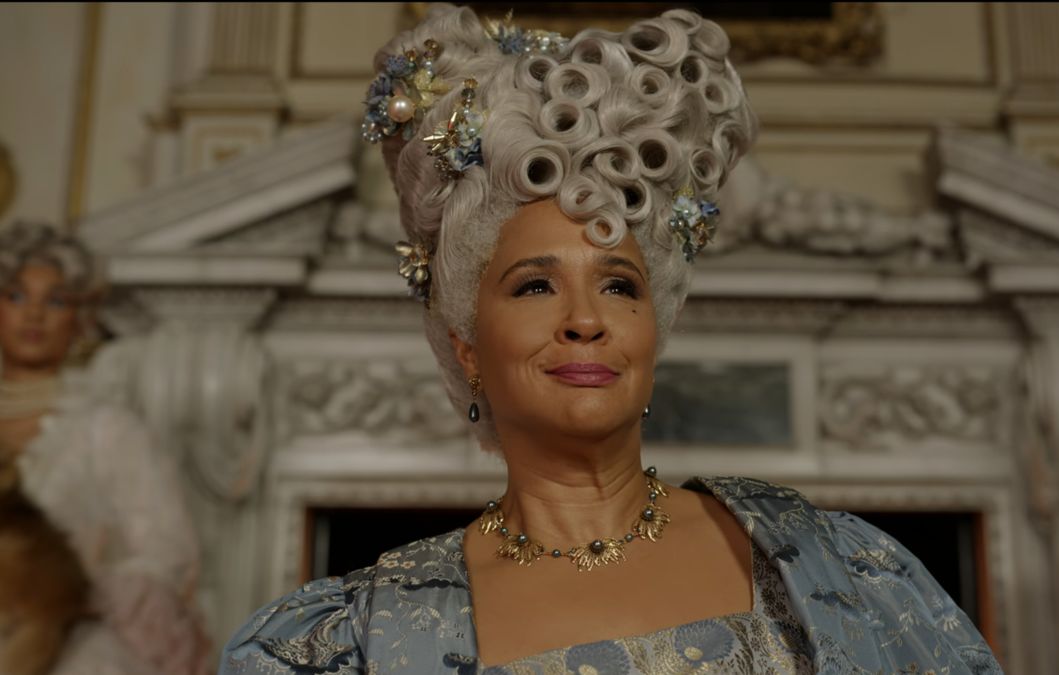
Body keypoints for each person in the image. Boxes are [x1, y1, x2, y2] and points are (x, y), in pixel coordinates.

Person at [222, 5, 1003, 673]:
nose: (584, 317)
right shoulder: (361, 637)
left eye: (619, 284)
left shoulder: (833, 567)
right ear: (466, 344)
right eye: (534, 284)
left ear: (652, 327)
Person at [0, 221, 210, 675]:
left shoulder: (108, 429)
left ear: (80, 319)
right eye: (16, 295)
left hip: (73, 635)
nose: (34, 314)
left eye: (56, 300)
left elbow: (169, 553)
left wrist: (69, 593)